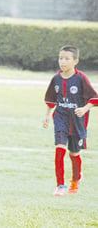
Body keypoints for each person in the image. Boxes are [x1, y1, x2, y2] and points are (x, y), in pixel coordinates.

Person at [43, 45, 98, 196]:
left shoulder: (81, 79)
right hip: (61, 118)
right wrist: (47, 115)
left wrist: (84, 109)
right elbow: (51, 99)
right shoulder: (56, 79)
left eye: (67, 59)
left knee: (74, 153)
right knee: (59, 148)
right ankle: (60, 185)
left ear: (75, 61)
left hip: (78, 121)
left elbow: (94, 98)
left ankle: (75, 179)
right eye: (61, 58)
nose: (63, 62)